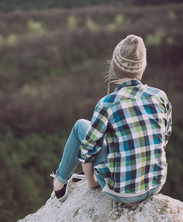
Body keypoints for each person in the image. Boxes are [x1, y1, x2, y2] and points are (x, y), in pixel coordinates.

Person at [53, 34, 172, 203]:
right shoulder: (160, 96)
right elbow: (164, 137)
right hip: (155, 184)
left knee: (81, 126)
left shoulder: (108, 103)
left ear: (115, 66)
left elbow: (87, 150)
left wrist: (92, 182)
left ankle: (60, 182)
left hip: (120, 191)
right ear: (143, 66)